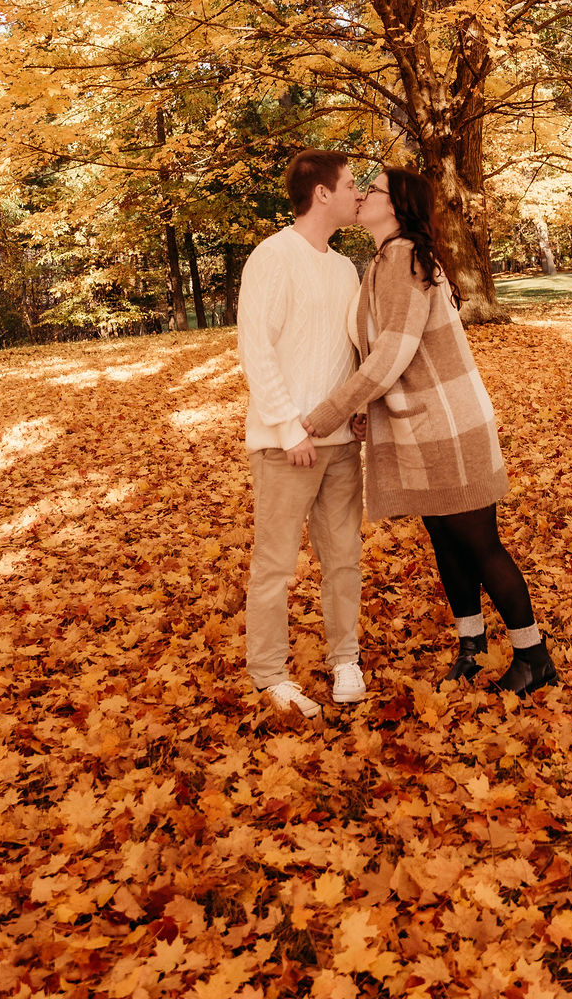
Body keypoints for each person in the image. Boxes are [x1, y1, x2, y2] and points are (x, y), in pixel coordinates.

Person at [304, 167, 557, 696]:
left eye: (372, 189)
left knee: (481, 545)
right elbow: (378, 350)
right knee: (445, 541)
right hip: (420, 425)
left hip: (448, 425)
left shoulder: (405, 259)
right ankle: (472, 646)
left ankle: (534, 657)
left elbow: (391, 355)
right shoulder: (384, 260)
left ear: (397, 206)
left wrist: (328, 414)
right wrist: (364, 409)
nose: (362, 195)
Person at [237, 149, 368, 717]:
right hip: (285, 446)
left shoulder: (344, 268)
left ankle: (346, 659)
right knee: (275, 566)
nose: (359, 194)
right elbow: (256, 349)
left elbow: (346, 348)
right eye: (352, 184)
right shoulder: (272, 256)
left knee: (344, 558)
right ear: (322, 193)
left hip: (340, 444)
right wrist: (291, 430)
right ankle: (270, 674)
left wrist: (356, 410)